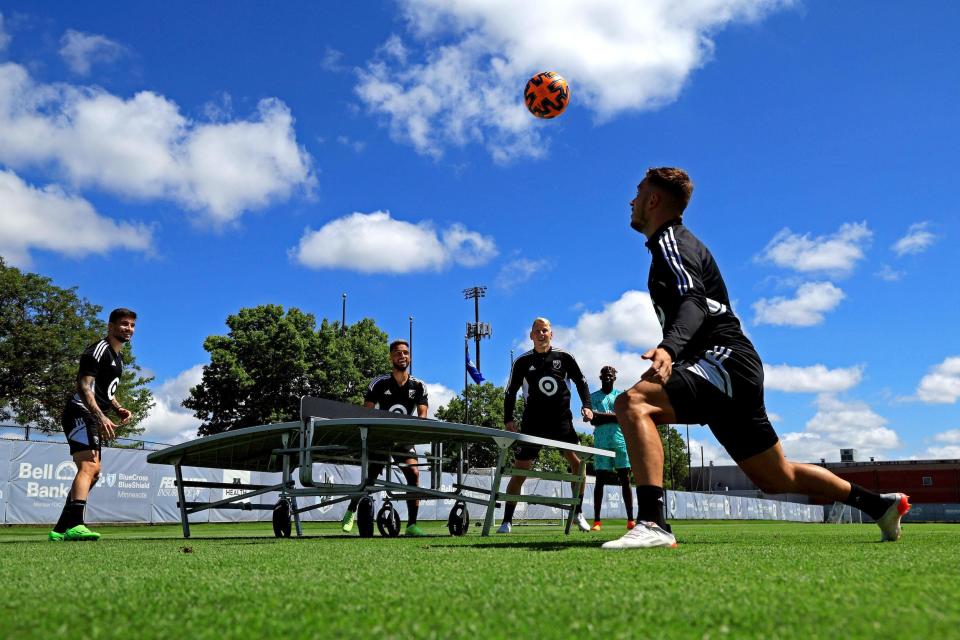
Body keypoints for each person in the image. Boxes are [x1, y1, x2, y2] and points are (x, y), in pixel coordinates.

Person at [604, 167, 911, 550]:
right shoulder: (672, 245)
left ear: (653, 200)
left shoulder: (672, 243)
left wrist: (669, 346)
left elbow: (693, 303)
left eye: (637, 193)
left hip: (723, 360)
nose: (631, 201)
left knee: (632, 403)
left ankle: (652, 522)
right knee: (776, 477)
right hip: (733, 367)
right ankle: (878, 504)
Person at [498, 318, 595, 533]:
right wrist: (508, 419)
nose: (541, 334)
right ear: (531, 336)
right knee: (521, 469)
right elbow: (510, 391)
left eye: (545, 330)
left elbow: (581, 382)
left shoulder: (564, 357)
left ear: (551, 334)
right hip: (533, 422)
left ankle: (578, 512)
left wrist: (587, 406)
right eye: (537, 331)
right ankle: (507, 521)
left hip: (561, 421)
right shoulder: (522, 362)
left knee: (577, 464)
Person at [49, 308, 137, 541]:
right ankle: (76, 524)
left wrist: (117, 408)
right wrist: (100, 416)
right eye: (123, 324)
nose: (129, 329)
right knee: (88, 467)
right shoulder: (97, 351)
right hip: (79, 412)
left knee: (95, 473)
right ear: (110, 326)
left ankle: (59, 530)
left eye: (132, 325)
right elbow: (84, 386)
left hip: (92, 415)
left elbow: (105, 390)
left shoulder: (118, 359)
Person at [340, 339, 429, 537]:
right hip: (380, 439)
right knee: (370, 477)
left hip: (404, 441)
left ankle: (412, 525)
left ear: (410, 356)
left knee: (414, 474)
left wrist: (411, 433)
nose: (402, 356)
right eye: (398, 353)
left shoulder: (419, 386)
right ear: (391, 357)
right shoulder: (379, 383)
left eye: (405, 353)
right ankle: (351, 509)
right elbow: (365, 413)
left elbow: (423, 416)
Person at [588, 366, 635, 531]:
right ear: (600, 378)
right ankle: (597, 521)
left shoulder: (621, 397)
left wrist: (601, 416)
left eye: (610, 375)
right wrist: (613, 416)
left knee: (625, 479)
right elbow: (593, 420)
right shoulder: (593, 397)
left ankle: (630, 520)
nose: (607, 377)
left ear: (615, 378)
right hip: (601, 442)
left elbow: (624, 417)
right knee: (600, 480)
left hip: (620, 441)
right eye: (604, 375)